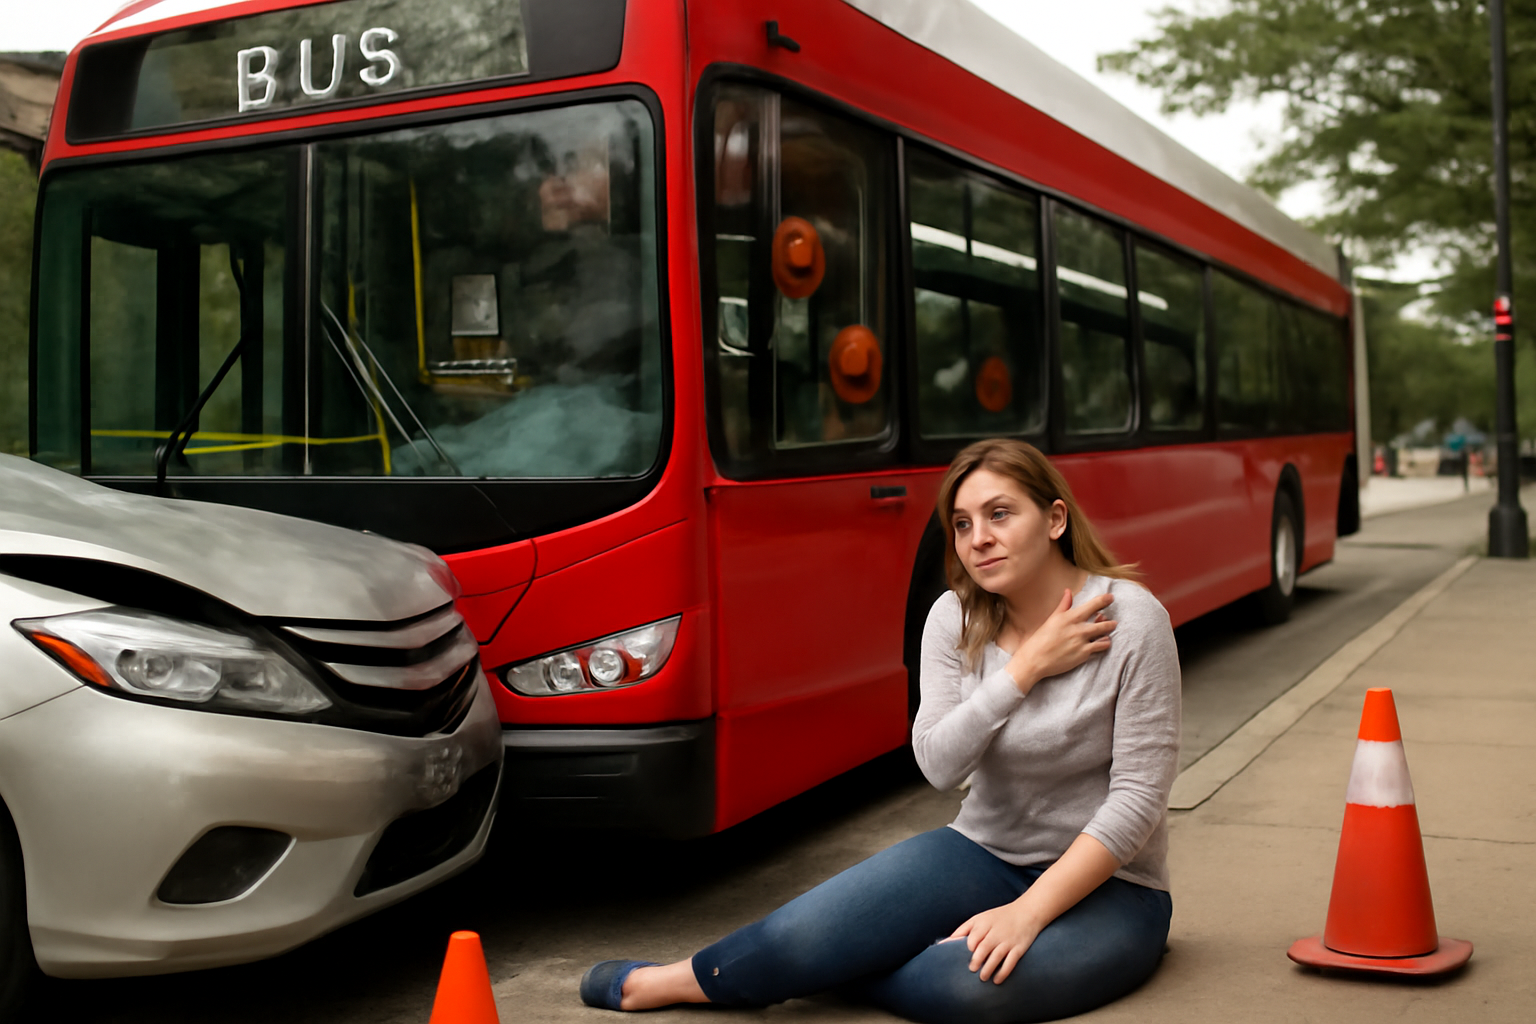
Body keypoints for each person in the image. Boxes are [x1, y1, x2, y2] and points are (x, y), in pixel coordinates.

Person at [579, 438, 1181, 1023]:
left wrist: (1026, 912)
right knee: (799, 933)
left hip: (1115, 889)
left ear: (1055, 519)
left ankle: (830, 965)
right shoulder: (952, 618)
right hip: (982, 852)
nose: (981, 539)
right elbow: (939, 767)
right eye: (963, 524)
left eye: (1000, 514)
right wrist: (1023, 670)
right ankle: (670, 981)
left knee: (955, 988)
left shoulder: (1130, 620)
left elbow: (1138, 800)